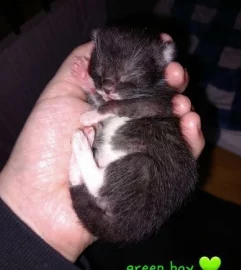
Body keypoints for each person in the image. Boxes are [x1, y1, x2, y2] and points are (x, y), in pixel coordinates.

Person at [0, 37, 204, 270]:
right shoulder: (121, 88)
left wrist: (106, 108)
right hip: (123, 188)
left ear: (158, 64)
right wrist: (90, 87)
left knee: (143, 169)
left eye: (127, 77)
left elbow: (120, 108)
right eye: (102, 74)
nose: (108, 87)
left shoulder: (156, 96)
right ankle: (86, 178)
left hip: (128, 182)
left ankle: (90, 180)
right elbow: (104, 105)